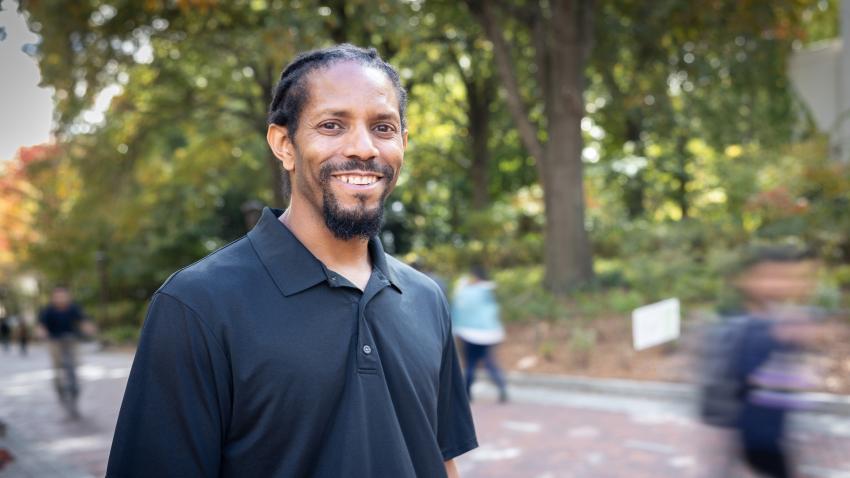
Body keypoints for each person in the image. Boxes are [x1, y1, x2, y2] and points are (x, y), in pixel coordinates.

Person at [107, 44, 477, 478]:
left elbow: (440, 459)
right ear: (284, 143)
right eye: (332, 125)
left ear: (403, 144)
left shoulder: (426, 298)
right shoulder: (196, 306)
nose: (363, 147)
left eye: (383, 127)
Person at [725, 246, 822, 478]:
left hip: (772, 429)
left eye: (787, 277)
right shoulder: (751, 325)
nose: (782, 284)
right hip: (757, 431)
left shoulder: (778, 317)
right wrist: (778, 337)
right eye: (772, 276)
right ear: (750, 280)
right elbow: (743, 372)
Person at [452, 265, 508, 403]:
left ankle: (467, 394)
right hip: (489, 334)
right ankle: (502, 388)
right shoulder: (486, 291)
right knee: (489, 362)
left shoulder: (464, 292)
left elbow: (457, 311)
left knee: (470, 364)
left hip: (468, 333)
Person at [38, 286, 89, 419]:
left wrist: (87, 327)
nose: (61, 298)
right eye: (58, 296)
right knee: (58, 370)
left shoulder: (73, 308)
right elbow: (41, 326)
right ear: (53, 297)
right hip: (55, 342)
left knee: (74, 368)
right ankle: (60, 390)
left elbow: (82, 320)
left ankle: (74, 394)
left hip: (71, 341)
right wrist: (42, 332)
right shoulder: (48, 311)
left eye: (63, 295)